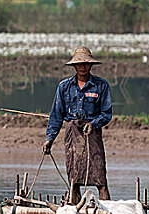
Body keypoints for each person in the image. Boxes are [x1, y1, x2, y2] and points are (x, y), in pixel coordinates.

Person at [43, 46, 112, 202]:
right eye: (79, 64)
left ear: (91, 65)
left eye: (86, 64)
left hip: (92, 134)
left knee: (100, 180)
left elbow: (106, 114)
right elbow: (56, 115)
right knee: (74, 180)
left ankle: (106, 213)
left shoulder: (101, 86)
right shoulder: (64, 87)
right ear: (74, 66)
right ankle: (75, 213)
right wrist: (50, 139)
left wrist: (94, 123)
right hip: (72, 135)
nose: (82, 67)